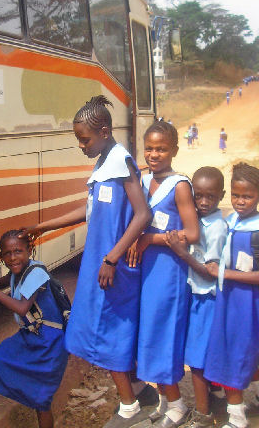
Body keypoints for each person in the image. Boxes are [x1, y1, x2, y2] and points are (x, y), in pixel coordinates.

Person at [26, 95, 153, 428]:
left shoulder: (122, 162)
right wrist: (42, 226)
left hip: (113, 267)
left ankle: (129, 408)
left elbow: (143, 215)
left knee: (108, 331)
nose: (81, 146)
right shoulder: (103, 163)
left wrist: (112, 258)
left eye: (84, 139)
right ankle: (140, 391)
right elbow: (89, 211)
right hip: (100, 263)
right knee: (101, 327)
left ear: (104, 132)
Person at [129, 121, 200, 427]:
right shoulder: (143, 181)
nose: (154, 154)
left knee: (163, 334)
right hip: (145, 271)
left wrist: (151, 239)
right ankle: (164, 400)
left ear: (174, 151)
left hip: (168, 272)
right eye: (149, 148)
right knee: (148, 333)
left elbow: (192, 233)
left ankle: (177, 405)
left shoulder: (180, 185)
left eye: (161, 149)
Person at [0, 231, 69, 428]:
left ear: (29, 251)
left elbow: (22, 308)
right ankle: (29, 393)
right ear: (1, 256)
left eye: (18, 251)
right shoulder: (17, 271)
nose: (13, 258)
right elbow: (1, 282)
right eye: (7, 253)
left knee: (41, 400)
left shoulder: (36, 273)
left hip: (49, 342)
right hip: (32, 336)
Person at [203, 163, 259, 428]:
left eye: (247, 196)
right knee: (233, 350)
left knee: (232, 356)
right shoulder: (230, 221)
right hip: (226, 298)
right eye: (236, 195)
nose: (240, 201)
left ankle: (237, 418)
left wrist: (223, 272)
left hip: (245, 303)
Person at [164, 167, 227, 427]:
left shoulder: (217, 228)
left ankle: (202, 414)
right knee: (201, 353)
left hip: (207, 298)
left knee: (198, 361)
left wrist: (181, 253)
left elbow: (211, 273)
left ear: (221, 195)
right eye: (198, 196)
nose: (203, 202)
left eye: (210, 196)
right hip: (197, 295)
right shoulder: (197, 220)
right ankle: (217, 400)